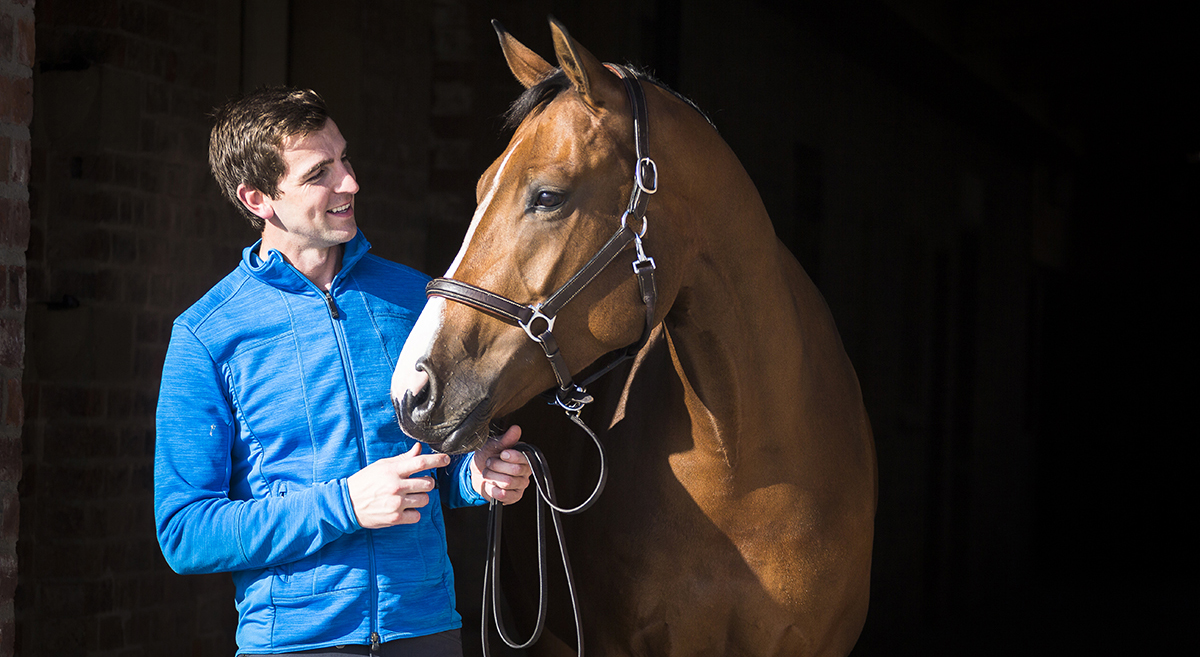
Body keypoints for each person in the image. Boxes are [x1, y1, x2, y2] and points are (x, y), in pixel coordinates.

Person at [154, 87, 532, 656]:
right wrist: (346, 505)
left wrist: (476, 477)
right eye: (319, 173)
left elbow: (435, 468)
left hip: (425, 630)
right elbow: (186, 533)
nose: (350, 183)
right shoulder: (207, 335)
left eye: (345, 160)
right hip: (297, 642)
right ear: (258, 198)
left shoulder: (418, 300)